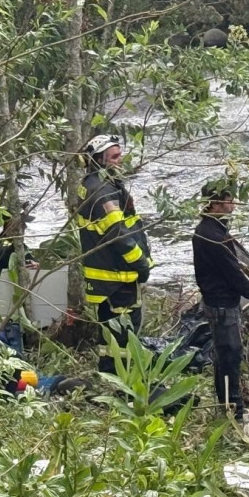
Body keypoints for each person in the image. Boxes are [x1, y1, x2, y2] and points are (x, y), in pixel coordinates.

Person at [193, 181, 249, 419]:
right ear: (215, 204)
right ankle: (235, 411)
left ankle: (226, 404)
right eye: (228, 200)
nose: (233, 204)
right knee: (231, 355)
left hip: (217, 301)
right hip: (222, 304)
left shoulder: (210, 230)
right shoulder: (213, 237)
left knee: (223, 354)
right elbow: (233, 274)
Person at [77, 134, 152, 372]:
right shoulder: (103, 193)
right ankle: (125, 380)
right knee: (124, 332)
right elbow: (118, 235)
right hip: (118, 278)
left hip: (106, 277)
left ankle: (109, 371)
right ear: (98, 159)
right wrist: (141, 264)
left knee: (110, 331)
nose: (120, 161)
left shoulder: (93, 184)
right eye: (115, 157)